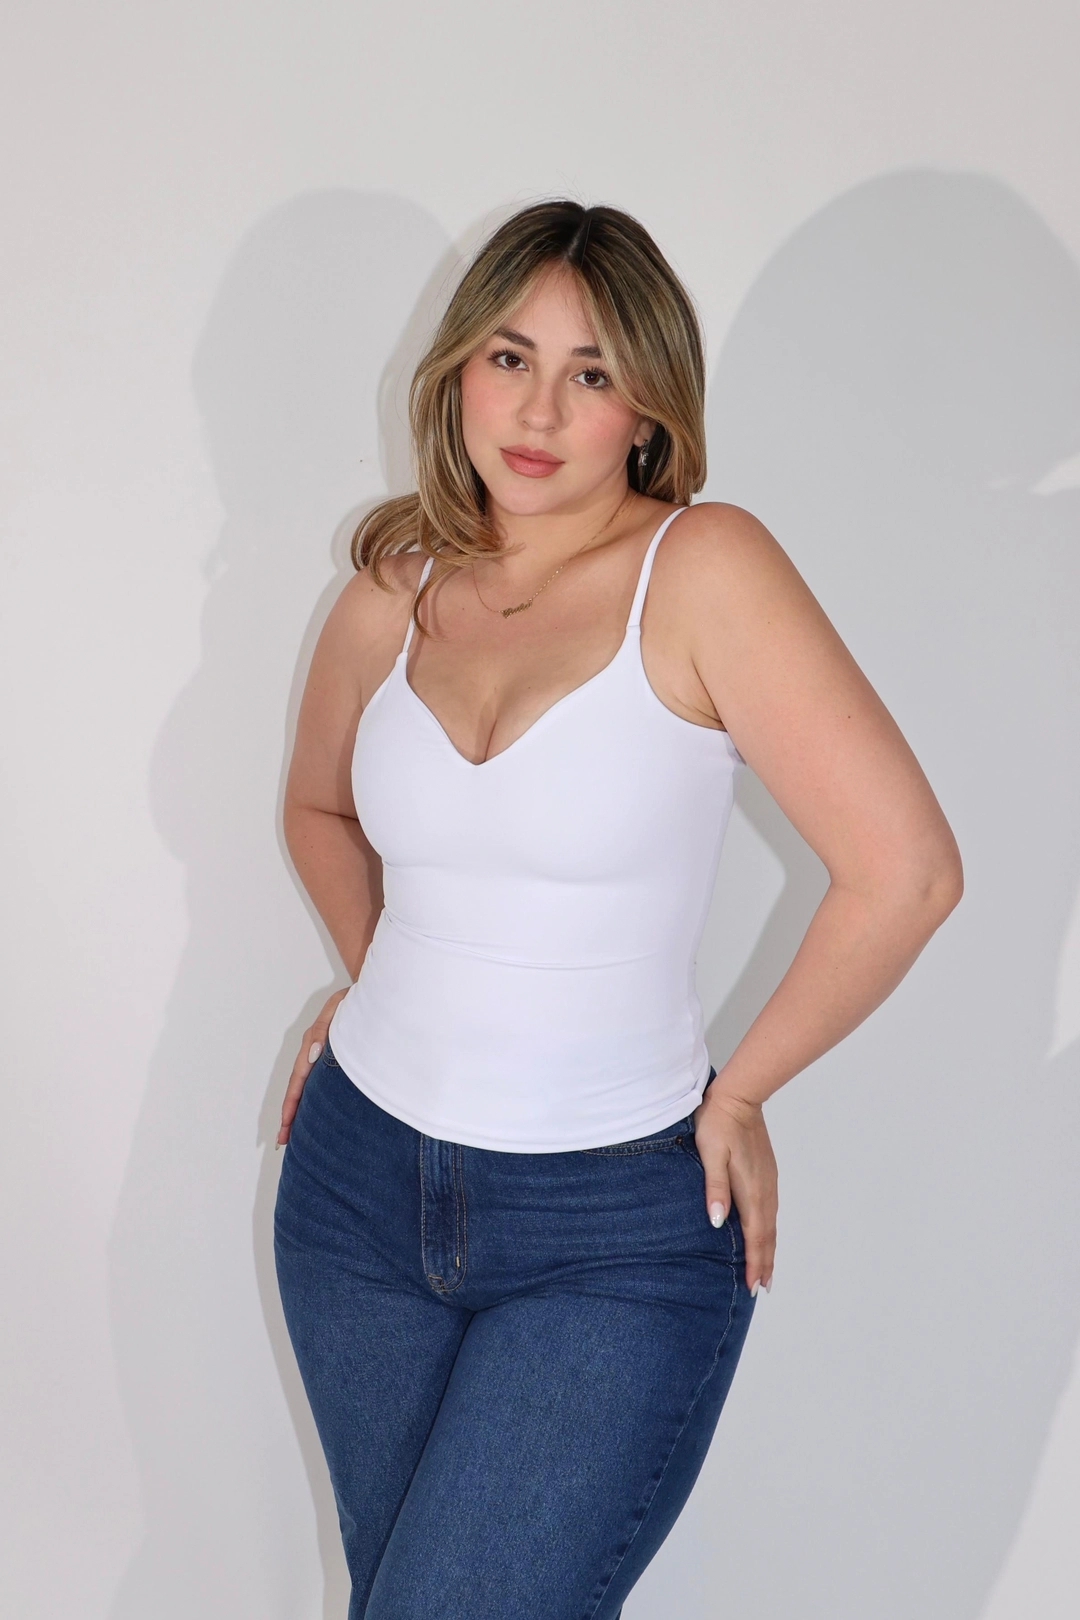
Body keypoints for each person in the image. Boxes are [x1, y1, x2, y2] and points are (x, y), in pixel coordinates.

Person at [272, 200, 962, 1619]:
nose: (538, 412)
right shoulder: (395, 589)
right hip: (354, 1195)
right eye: (509, 357)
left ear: (648, 404)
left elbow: (906, 871)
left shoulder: (702, 570)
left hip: (611, 1232)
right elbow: (319, 809)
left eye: (590, 372)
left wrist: (742, 1092)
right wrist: (381, 979)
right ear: (458, 368)